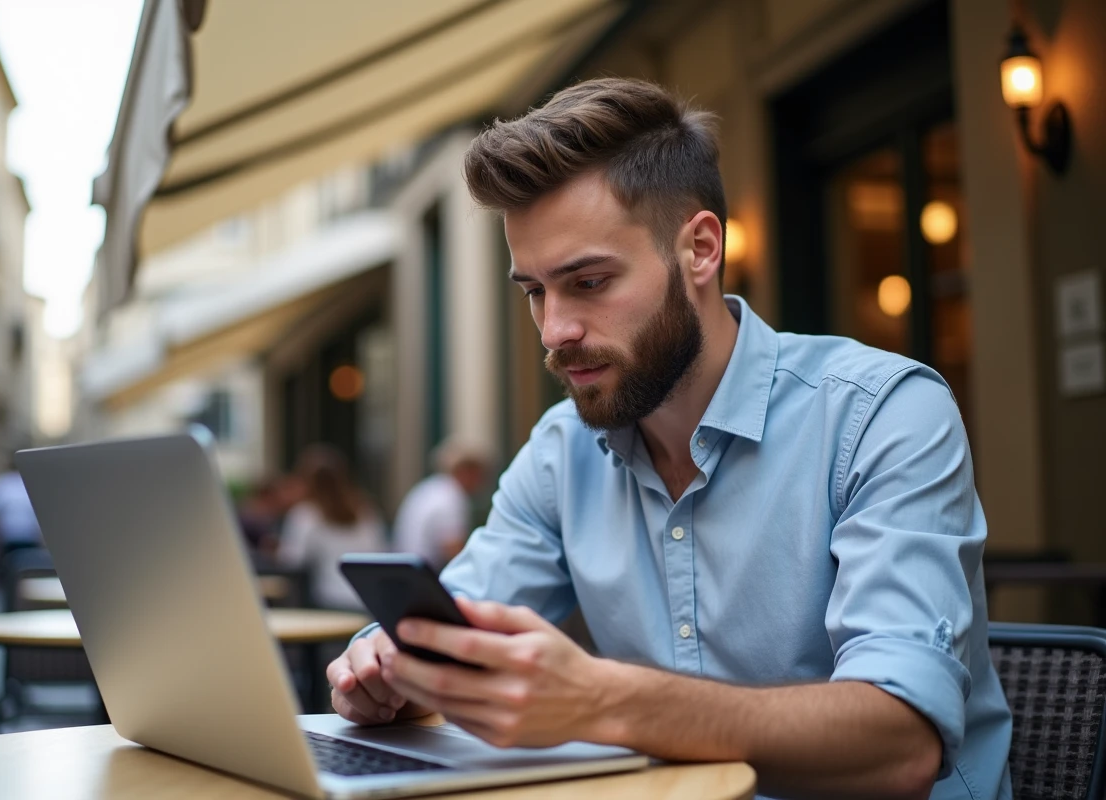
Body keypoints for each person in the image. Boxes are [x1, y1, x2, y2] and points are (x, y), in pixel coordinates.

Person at [325, 78, 1012, 800]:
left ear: (701, 250)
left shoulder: (883, 414)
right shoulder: (564, 451)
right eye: (534, 292)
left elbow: (899, 745)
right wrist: (387, 670)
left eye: (588, 282)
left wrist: (603, 701)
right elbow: (454, 628)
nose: (555, 330)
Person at [277, 445, 386, 611]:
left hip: (329, 601)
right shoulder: (365, 509)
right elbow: (381, 551)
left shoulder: (306, 515)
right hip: (368, 600)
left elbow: (292, 560)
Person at [393, 438, 490, 570]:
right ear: (467, 471)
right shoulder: (451, 497)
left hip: (408, 570)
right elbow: (456, 554)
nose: (482, 482)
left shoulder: (431, 488)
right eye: (481, 474)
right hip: (422, 577)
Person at [0, 457, 43, 558]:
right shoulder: (33, 482)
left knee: (9, 565)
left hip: (6, 535)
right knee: (29, 565)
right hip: (29, 534)